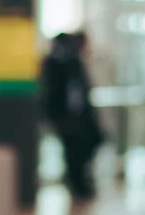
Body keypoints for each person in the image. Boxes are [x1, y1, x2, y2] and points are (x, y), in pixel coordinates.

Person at [40, 31, 104, 200]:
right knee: (72, 151)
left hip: (80, 116)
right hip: (65, 117)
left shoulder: (75, 63)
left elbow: (83, 91)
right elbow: (50, 93)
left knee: (87, 145)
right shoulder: (55, 63)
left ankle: (81, 183)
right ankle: (77, 185)